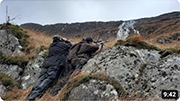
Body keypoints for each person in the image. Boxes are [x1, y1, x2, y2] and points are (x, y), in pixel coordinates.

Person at [26, 35, 72, 100]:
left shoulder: (51, 45)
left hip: (46, 64)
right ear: (60, 39)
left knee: (41, 78)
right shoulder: (62, 45)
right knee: (50, 78)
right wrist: (66, 40)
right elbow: (70, 45)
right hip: (55, 64)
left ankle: (31, 93)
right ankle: (35, 95)